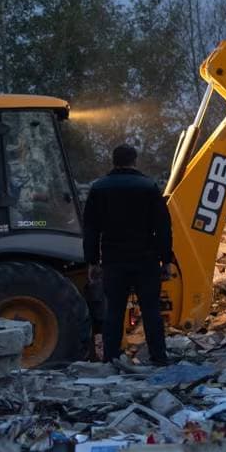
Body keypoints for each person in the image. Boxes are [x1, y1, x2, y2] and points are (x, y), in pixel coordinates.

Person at [82, 144, 173, 366]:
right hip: (146, 259)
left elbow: (91, 228)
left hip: (113, 259)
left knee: (114, 310)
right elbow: (163, 227)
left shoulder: (99, 189)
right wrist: (166, 260)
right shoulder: (149, 187)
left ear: (114, 161)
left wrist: (92, 261)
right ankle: (159, 358)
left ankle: (111, 358)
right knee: (151, 310)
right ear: (135, 161)